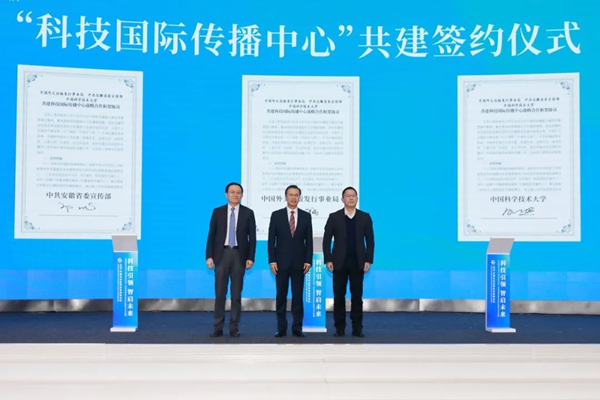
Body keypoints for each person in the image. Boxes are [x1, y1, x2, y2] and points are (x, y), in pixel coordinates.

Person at [205, 182, 256, 338]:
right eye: (232, 192)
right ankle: (218, 327)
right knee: (220, 293)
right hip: (221, 255)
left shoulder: (248, 213)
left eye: (238, 192)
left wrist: (250, 257)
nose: (235, 194)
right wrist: (209, 256)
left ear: (242, 195)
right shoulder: (218, 212)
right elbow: (211, 235)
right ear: (226, 194)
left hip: (239, 256)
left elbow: (252, 238)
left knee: (236, 294)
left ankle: (234, 327)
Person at [323, 186, 374, 337]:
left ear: (357, 199)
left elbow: (370, 241)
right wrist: (328, 259)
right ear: (342, 199)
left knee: (357, 297)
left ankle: (357, 328)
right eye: (348, 195)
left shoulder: (365, 217)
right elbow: (326, 240)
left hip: (358, 263)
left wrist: (368, 260)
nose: (351, 198)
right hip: (339, 263)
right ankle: (339, 328)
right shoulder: (334, 217)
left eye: (353, 195)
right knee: (339, 296)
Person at [268, 185, 313, 337]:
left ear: (299, 197)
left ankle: (297, 328)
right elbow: (271, 240)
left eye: (296, 195)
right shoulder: (276, 215)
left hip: (299, 263)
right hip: (280, 263)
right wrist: (272, 261)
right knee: (281, 296)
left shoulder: (306, 216)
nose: (293, 197)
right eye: (291, 195)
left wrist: (308, 260)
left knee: (298, 296)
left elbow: (309, 241)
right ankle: (281, 328)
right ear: (285, 197)